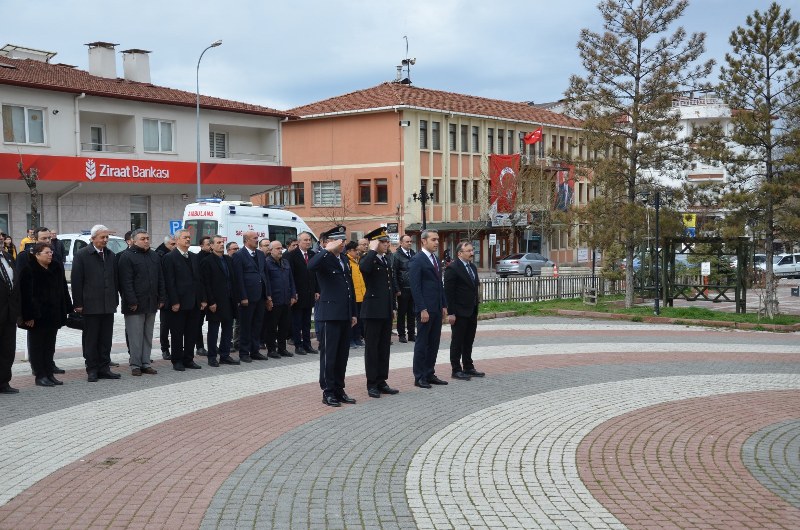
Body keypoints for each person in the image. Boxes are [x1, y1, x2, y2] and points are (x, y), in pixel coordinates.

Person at [307, 225, 357, 407]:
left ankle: (339, 388)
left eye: (343, 240)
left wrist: (353, 313)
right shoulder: (322, 258)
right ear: (328, 242)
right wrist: (326, 250)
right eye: (338, 240)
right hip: (329, 314)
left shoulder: (343, 259)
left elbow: (349, 288)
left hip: (344, 313)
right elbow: (310, 266)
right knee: (329, 355)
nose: (342, 243)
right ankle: (327, 391)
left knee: (342, 355)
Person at [72, 224, 121, 382]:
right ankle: (92, 369)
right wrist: (78, 303)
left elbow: (115, 279)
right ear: (93, 239)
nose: (105, 240)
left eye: (107, 237)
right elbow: (76, 280)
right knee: (91, 339)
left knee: (106, 339)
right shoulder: (82, 255)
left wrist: (115, 299)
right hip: (90, 305)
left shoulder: (111, 255)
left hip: (108, 305)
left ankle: (104, 368)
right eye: (102, 237)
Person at [19, 243, 71, 387]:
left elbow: (63, 289)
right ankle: (40, 375)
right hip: (37, 317)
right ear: (37, 254)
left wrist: (67, 308)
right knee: (37, 347)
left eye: (51, 252)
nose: (50, 255)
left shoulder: (56, 267)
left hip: (53, 314)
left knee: (49, 346)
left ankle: (49, 373)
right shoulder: (29, 269)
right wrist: (28, 316)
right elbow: (25, 295)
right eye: (47, 252)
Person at [118, 229, 165, 376]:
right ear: (134, 240)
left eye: (148, 238)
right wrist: (132, 300)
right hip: (135, 304)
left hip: (151, 302)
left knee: (147, 335)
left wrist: (162, 298)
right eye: (143, 238)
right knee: (135, 336)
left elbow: (160, 278)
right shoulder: (127, 256)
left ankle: (146, 362)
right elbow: (126, 282)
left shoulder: (154, 255)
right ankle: (135, 364)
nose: (146, 241)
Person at [359, 227, 399, 398]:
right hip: (372, 311)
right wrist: (372, 249)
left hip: (385, 310)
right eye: (382, 242)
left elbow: (389, 287)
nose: (386, 244)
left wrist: (393, 307)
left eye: (387, 241)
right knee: (372, 348)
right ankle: (372, 383)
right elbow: (364, 269)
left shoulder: (385, 259)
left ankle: (382, 380)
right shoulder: (368, 259)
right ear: (375, 243)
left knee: (384, 348)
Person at [408, 229, 448, 389]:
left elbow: (439, 284)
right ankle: (419, 376)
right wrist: (422, 308)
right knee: (422, 343)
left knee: (434, 342)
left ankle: (430, 373)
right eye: (433, 240)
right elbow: (415, 287)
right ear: (423, 241)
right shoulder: (417, 260)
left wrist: (444, 304)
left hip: (437, 307)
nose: (437, 242)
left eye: (438, 239)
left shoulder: (436, 260)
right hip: (425, 309)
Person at [162, 229, 206, 371]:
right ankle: (177, 360)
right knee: (177, 333)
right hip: (178, 303)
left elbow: (199, 280)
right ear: (177, 240)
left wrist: (202, 299)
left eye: (189, 237)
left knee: (191, 333)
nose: (188, 239)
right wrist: (174, 301)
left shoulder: (193, 257)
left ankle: (189, 359)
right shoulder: (170, 257)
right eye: (185, 237)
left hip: (194, 302)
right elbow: (169, 282)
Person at [443, 241, 485, 381]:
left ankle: (468, 366)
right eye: (468, 251)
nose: (472, 253)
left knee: (469, 340)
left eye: (472, 250)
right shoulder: (453, 268)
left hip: (472, 310)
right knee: (457, 341)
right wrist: (451, 312)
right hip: (459, 312)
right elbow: (449, 293)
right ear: (460, 253)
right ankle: (456, 369)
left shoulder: (472, 267)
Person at [232, 230, 272, 363]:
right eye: (254, 238)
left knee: (257, 325)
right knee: (245, 326)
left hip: (260, 296)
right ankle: (244, 352)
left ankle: (255, 351)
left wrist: (268, 296)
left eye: (257, 237)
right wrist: (242, 296)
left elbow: (265, 275)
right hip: (247, 297)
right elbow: (238, 278)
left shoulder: (260, 254)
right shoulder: (239, 255)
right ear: (246, 240)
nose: (257, 239)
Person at [201, 235, 240, 367]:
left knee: (228, 329)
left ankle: (225, 355)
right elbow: (206, 283)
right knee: (213, 330)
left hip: (229, 300)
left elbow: (233, 280)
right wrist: (210, 301)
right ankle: (212, 357)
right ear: (211, 246)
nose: (221, 245)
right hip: (215, 302)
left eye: (222, 242)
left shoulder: (228, 260)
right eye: (218, 243)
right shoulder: (207, 261)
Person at [264, 240, 297, 357]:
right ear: (270, 250)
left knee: (284, 326)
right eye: (277, 248)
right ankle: (271, 349)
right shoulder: (267, 263)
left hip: (286, 299)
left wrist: (293, 294)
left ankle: (282, 348)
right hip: (274, 300)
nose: (280, 250)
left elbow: (291, 280)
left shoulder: (285, 262)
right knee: (272, 327)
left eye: (280, 248)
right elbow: (266, 282)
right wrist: (268, 298)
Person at [288, 231, 318, 355]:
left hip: (310, 293)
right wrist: (293, 293)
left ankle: (307, 344)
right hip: (298, 294)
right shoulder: (292, 255)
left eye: (309, 240)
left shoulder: (312, 254)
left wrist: (317, 290)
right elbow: (290, 276)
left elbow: (316, 274)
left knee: (306, 321)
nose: (308, 242)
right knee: (297, 321)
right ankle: (298, 345)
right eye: (305, 240)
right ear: (299, 242)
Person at [0, 245, 20, 393]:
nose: (0, 239)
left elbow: (15, 284)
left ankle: (4, 382)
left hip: (9, 313)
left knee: (8, 350)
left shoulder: (8, 257)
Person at [155, 235, 177, 360]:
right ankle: (165, 349)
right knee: (165, 325)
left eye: (175, 244)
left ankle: (176, 348)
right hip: (165, 296)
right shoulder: (160, 254)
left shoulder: (171, 254)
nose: (174, 247)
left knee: (175, 325)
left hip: (174, 295)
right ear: (166, 244)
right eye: (172, 244)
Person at [393, 234, 416, 343]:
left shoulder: (413, 254)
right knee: (402, 313)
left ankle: (411, 334)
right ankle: (401, 334)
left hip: (413, 288)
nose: (410, 243)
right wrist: (397, 289)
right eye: (407, 241)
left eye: (410, 241)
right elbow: (394, 273)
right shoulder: (396, 255)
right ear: (401, 243)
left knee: (412, 313)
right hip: (403, 289)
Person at [195, 235, 213, 357]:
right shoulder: (197, 259)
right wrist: (203, 299)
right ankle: (199, 346)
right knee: (198, 323)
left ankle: (212, 344)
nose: (210, 246)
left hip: (213, 296)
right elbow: (199, 281)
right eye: (208, 244)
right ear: (201, 246)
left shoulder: (214, 257)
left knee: (213, 322)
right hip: (203, 297)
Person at [345, 241, 365, 348]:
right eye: (355, 250)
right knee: (352, 318)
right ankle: (351, 339)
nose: (357, 252)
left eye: (358, 250)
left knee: (359, 319)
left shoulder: (357, 261)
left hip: (361, 294)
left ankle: (357, 338)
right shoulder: (347, 261)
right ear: (349, 251)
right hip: (353, 295)